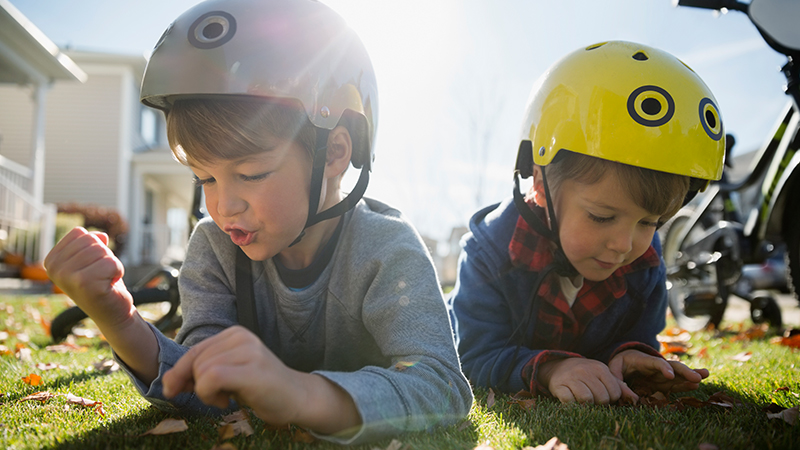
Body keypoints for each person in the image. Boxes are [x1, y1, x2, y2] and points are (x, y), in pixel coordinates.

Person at [44, 0, 472, 444]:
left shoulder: (387, 250)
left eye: (251, 174)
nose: (223, 206)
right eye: (204, 177)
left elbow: (440, 385)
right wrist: (117, 318)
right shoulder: (214, 247)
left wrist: (302, 394)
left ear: (337, 153)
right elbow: (205, 385)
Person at [448, 41, 724, 405]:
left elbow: (639, 335)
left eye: (650, 222)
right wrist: (549, 369)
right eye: (601, 216)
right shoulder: (489, 255)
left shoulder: (646, 266)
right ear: (541, 185)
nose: (625, 245)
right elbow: (473, 358)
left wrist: (629, 355)